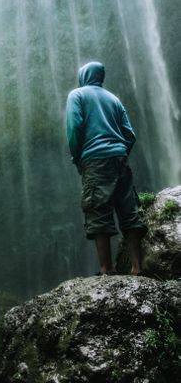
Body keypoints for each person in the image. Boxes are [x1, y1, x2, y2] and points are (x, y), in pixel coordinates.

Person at [66, 61, 146, 275]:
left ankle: (106, 269)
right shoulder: (114, 99)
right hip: (120, 158)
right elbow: (130, 135)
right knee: (128, 209)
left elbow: (74, 128)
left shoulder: (77, 95)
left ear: (83, 75)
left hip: (94, 159)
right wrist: (119, 151)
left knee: (98, 209)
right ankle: (137, 267)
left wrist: (78, 157)